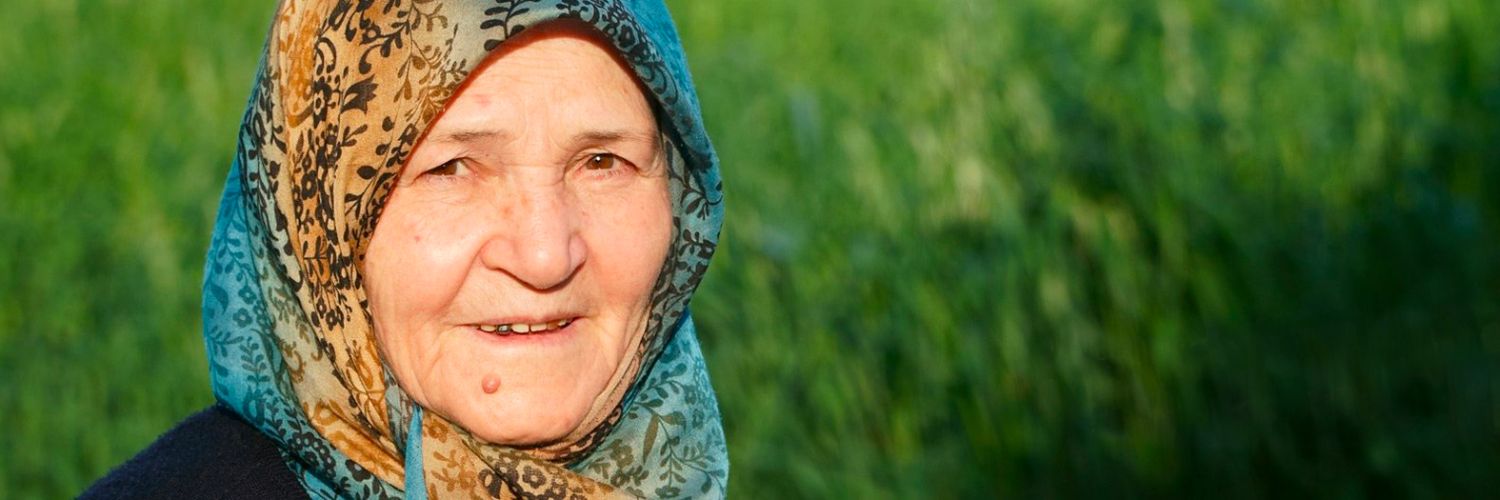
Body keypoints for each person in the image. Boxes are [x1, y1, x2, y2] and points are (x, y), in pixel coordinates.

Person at [84, 0, 727, 498]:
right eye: (451, 169)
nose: (544, 256)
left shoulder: (686, 471)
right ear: (321, 226)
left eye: (601, 161)